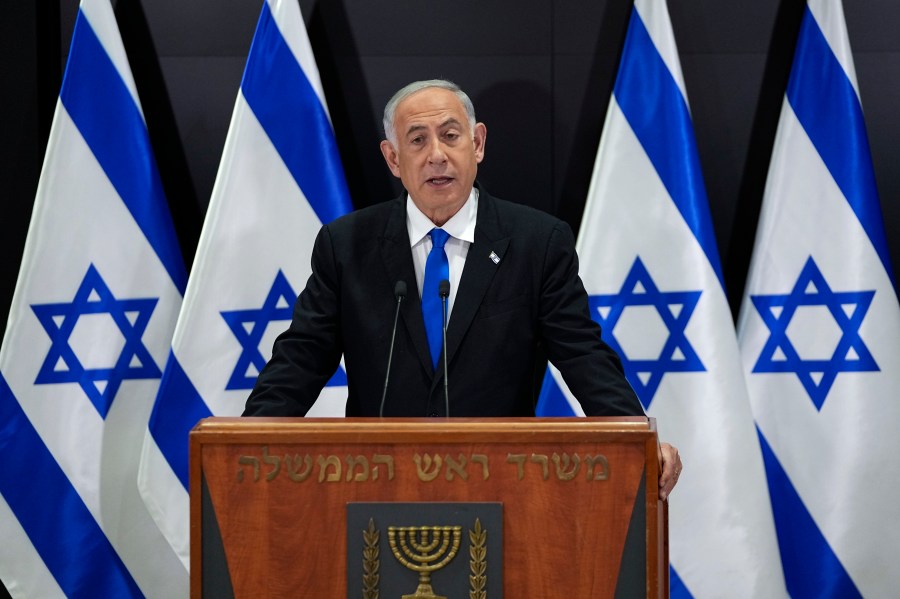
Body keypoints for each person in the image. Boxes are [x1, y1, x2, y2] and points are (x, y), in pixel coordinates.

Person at [243, 79, 682, 498]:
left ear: (477, 144)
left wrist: (635, 436)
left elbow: (584, 356)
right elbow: (300, 361)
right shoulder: (346, 246)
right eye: (417, 140)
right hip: (377, 486)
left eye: (451, 136)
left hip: (501, 485)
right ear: (393, 159)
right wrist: (241, 443)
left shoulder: (536, 242)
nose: (437, 155)